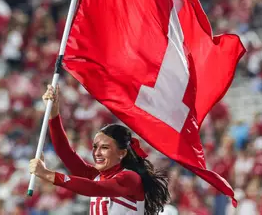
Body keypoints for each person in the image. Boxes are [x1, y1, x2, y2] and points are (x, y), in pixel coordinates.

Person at [29, 85, 170, 215]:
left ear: (122, 152)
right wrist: (54, 113)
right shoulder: (97, 176)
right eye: (95, 146)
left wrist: (48, 174)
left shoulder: (130, 178)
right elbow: (64, 152)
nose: (96, 153)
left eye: (105, 148)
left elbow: (94, 188)